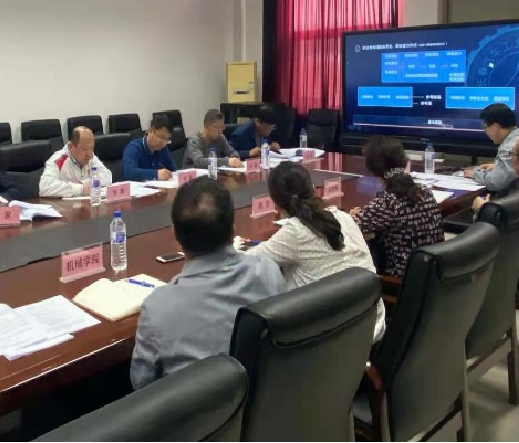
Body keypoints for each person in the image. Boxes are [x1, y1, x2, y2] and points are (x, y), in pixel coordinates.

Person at [130, 177, 286, 389]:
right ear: (233, 230)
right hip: (268, 401)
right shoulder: (268, 272)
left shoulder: (158, 308)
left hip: (198, 410)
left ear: (175, 237)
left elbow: (141, 384)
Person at [244, 162, 385, 342]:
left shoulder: (295, 232)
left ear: (275, 202)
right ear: (312, 188)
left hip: (333, 342)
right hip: (372, 326)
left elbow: (247, 262)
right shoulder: (344, 217)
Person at [350, 135, 444, 278]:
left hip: (399, 280)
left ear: (372, 167)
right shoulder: (424, 191)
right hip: (433, 274)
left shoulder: (387, 202)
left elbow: (349, 229)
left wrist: (351, 217)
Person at [463, 103, 519, 192]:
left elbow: (496, 183)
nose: (485, 131)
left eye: (485, 127)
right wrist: (498, 167)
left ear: (496, 126)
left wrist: (475, 173)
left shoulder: (509, 148)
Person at [39, 126, 112, 198]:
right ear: (71, 147)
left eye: (91, 148)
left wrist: (86, 183)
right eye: (85, 149)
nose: (89, 154)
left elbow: (107, 176)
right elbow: (44, 187)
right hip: (65, 205)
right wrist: (80, 189)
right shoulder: (60, 159)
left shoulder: (91, 158)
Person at [122, 115, 177, 181]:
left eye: (166, 139)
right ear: (150, 131)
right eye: (161, 137)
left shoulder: (162, 148)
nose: (163, 143)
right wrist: (156, 174)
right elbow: (129, 172)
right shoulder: (133, 148)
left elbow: (173, 170)